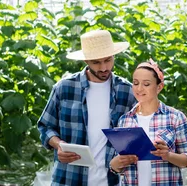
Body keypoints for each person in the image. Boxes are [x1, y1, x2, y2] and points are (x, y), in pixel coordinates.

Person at [37, 30, 137, 186]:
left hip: (111, 180)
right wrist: (59, 145)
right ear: (86, 61)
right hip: (69, 178)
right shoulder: (64, 88)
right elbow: (45, 126)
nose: (104, 67)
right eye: (96, 62)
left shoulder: (127, 91)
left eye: (108, 60)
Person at [108, 60, 187, 185]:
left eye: (146, 84)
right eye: (135, 83)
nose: (139, 88)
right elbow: (118, 167)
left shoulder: (175, 117)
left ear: (159, 87)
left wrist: (168, 155)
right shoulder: (125, 120)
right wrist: (115, 164)